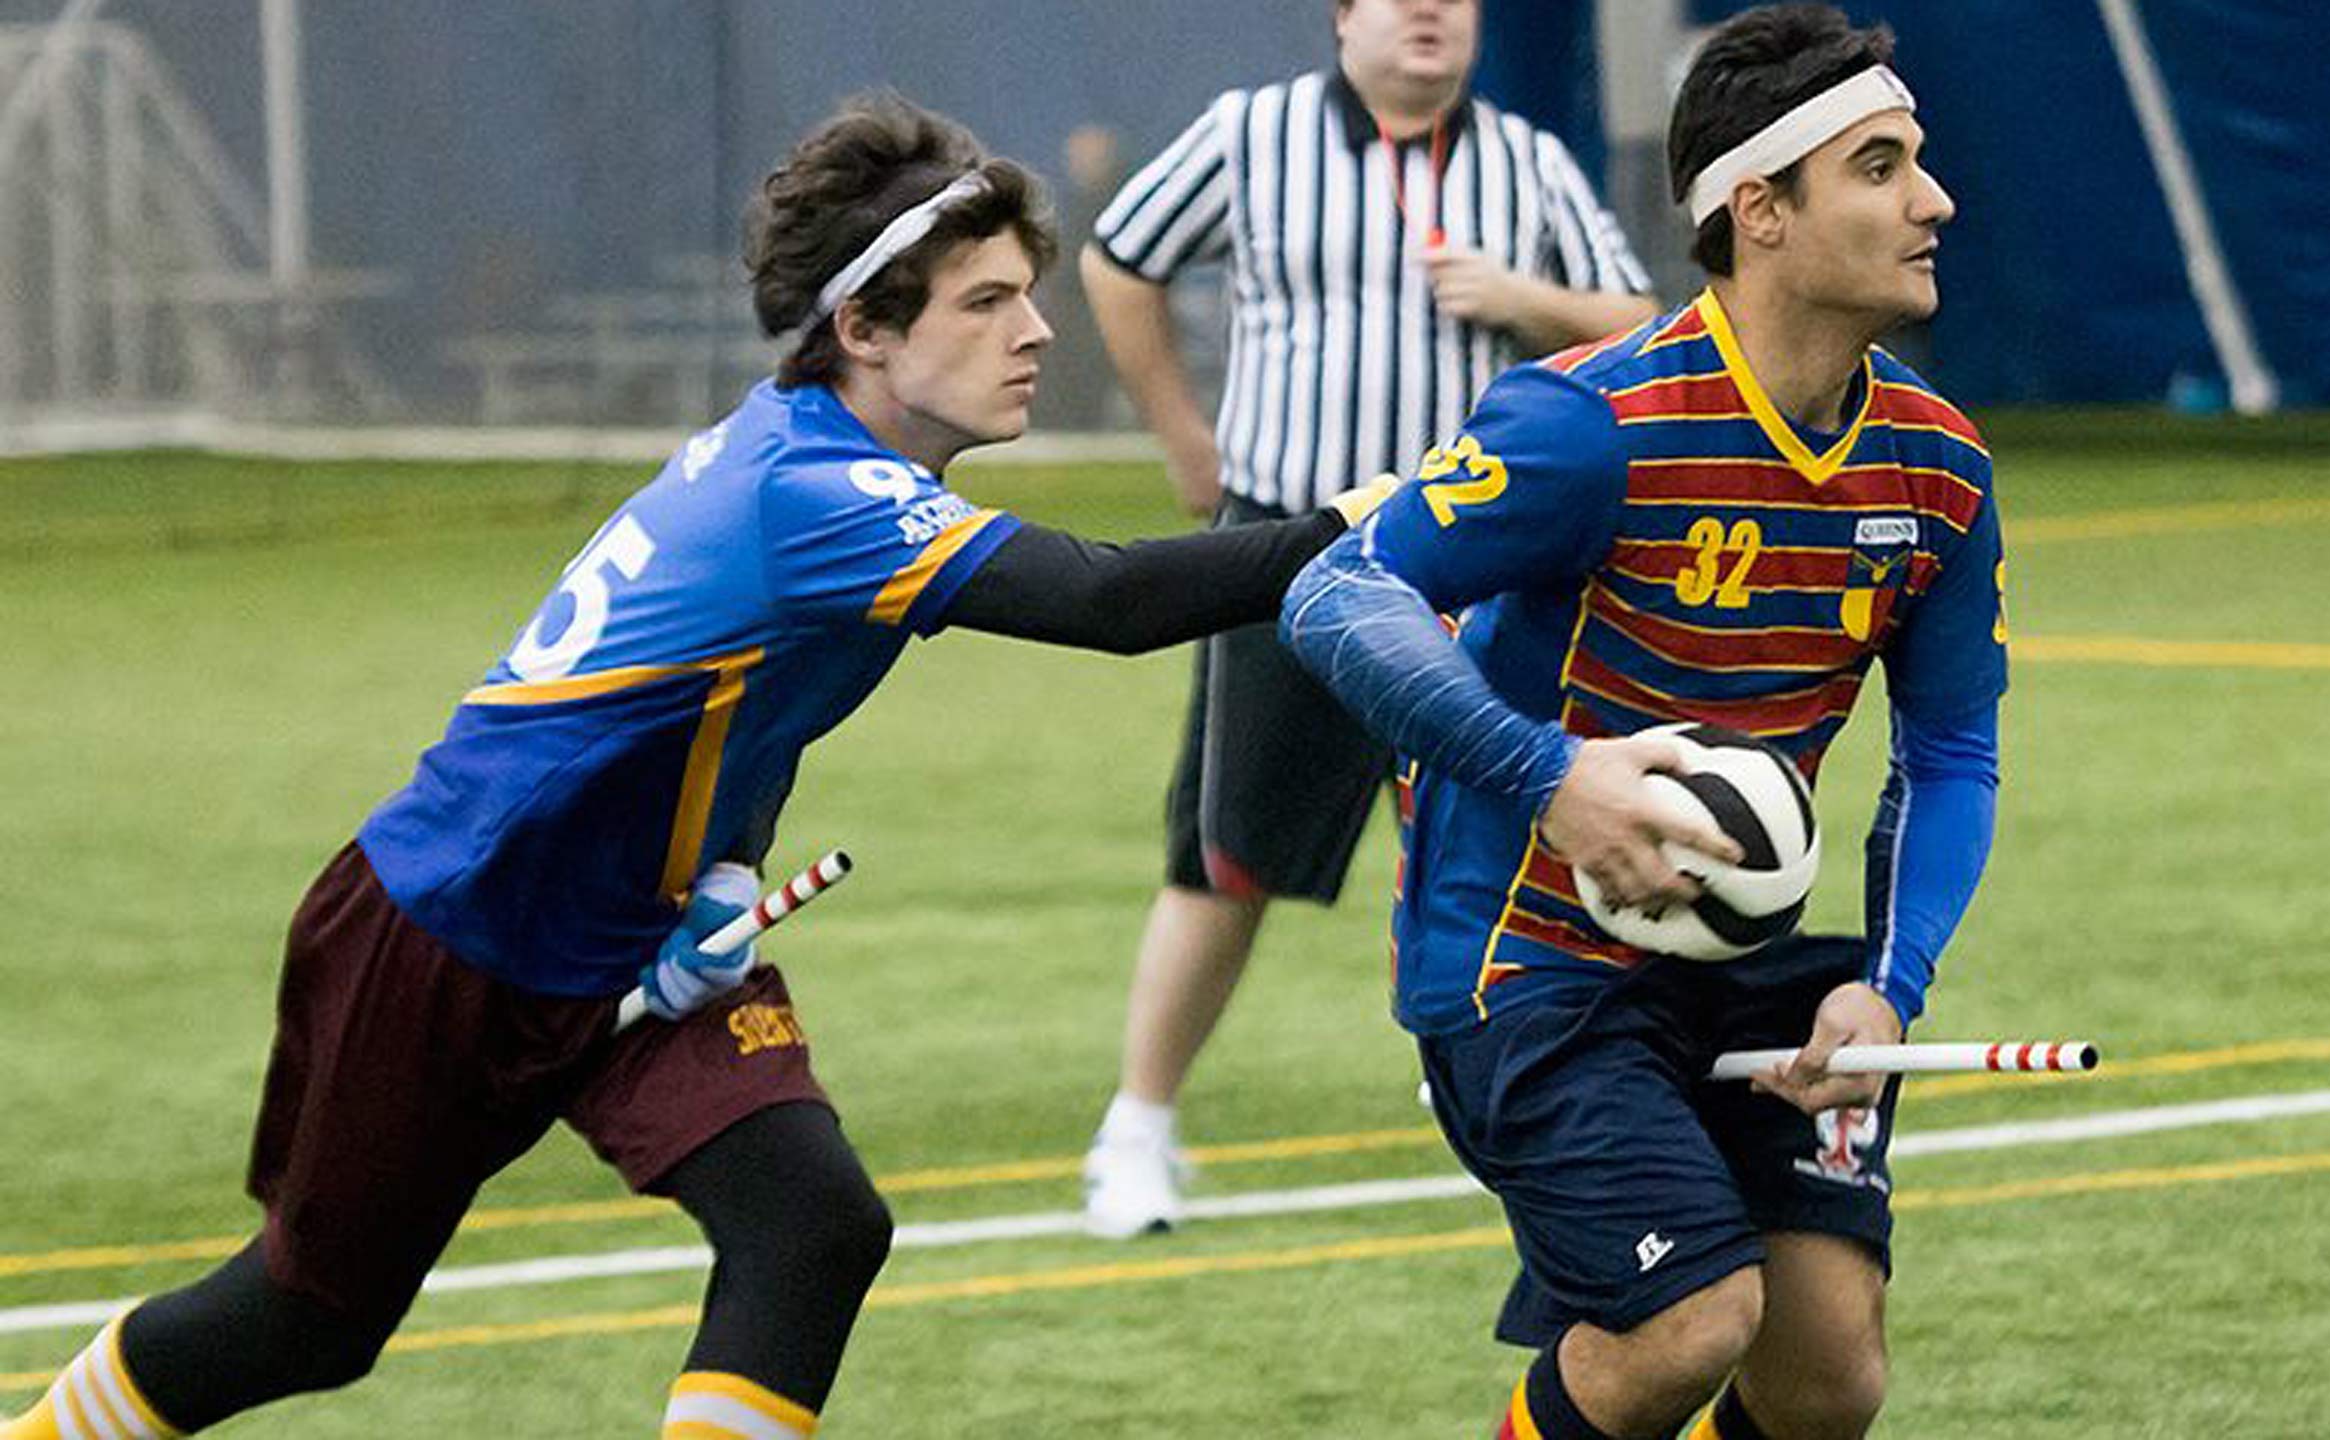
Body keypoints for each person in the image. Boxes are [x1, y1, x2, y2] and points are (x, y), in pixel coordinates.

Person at [0, 93, 1392, 1440]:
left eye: (1025, 292)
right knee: (306, 1321)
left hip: (641, 939)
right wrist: (1374, 517)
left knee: (813, 1225)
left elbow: (757, 709)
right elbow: (1114, 603)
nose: (1036, 331)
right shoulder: (813, 493)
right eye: (986, 302)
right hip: (446, 940)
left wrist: (726, 868)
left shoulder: (826, 462)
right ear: (862, 328)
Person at [1279, 5, 2007, 1437]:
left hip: (1765, 963)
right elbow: (1334, 591)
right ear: (1763, 211)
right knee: (1688, 1321)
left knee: (1825, 1382)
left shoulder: (1938, 467)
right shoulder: (1588, 426)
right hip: (1525, 955)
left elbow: (1950, 752)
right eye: (1880, 165)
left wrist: (1891, 986)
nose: (1935, 199)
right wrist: (1551, 777)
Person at [1079, 0, 1660, 1240]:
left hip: (1471, 559)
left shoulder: (1528, 159)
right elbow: (1118, 259)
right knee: (1228, 855)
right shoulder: (1253, 134)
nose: (1430, 14)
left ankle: (1513, 1102)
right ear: (1342, 18)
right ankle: (1137, 1127)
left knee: (1506, 835)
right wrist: (1186, 438)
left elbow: (1641, 324)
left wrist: (1521, 297)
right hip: (1293, 551)